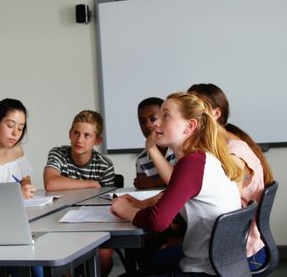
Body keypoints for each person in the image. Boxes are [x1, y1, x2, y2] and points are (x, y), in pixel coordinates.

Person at [111, 92, 242, 276]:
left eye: (166, 116)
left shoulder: (192, 163)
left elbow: (157, 221)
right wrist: (139, 205)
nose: (156, 124)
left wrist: (125, 209)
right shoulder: (198, 158)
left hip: (203, 270)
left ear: (190, 126)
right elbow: (173, 195)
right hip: (217, 264)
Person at [188, 83, 274, 271]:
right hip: (235, 244)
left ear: (216, 113)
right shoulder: (228, 144)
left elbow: (229, 206)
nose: (188, 116)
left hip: (240, 252)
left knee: (159, 257)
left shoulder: (232, 152)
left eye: (195, 109)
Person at [43, 110, 115, 276]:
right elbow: (51, 183)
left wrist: (67, 183)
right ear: (70, 133)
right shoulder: (58, 153)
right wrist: (90, 184)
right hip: (59, 220)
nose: (79, 139)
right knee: (64, 258)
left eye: (87, 135)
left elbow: (106, 202)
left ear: (97, 140)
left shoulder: (105, 165)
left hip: (93, 219)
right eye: (76, 133)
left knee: (104, 256)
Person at [133, 97, 175, 189]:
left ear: (165, 118)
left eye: (153, 118)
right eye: (142, 122)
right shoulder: (141, 160)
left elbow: (181, 181)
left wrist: (154, 183)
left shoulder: (179, 149)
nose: (148, 125)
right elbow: (144, 189)